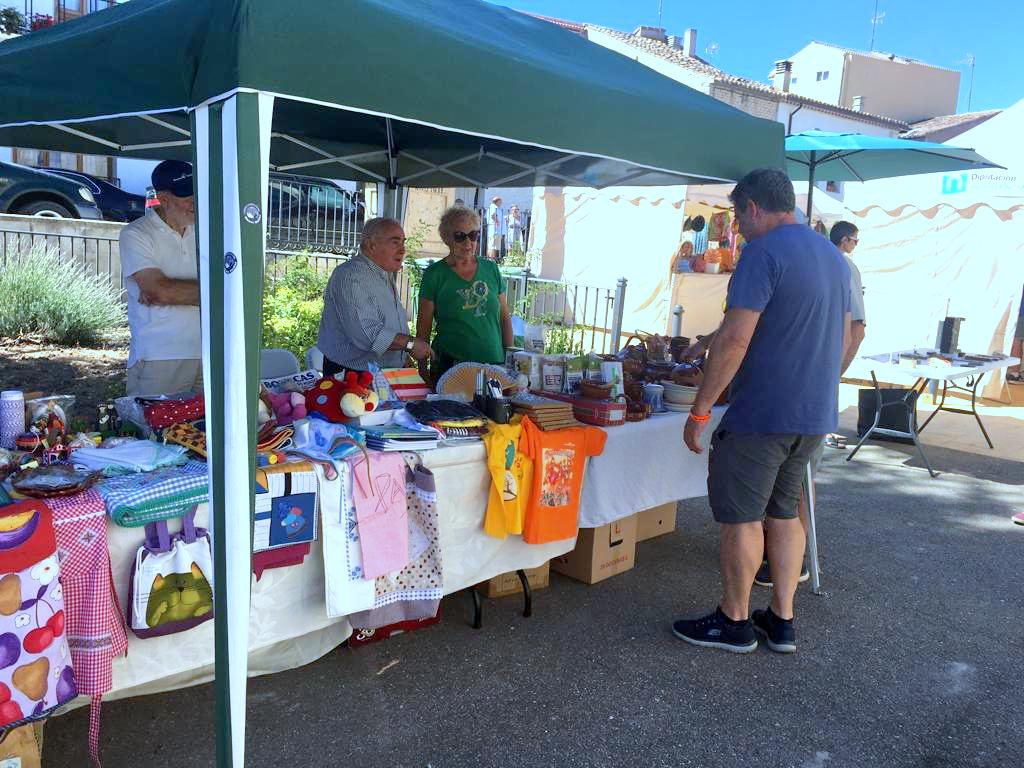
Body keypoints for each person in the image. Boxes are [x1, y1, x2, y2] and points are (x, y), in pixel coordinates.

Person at [675, 168, 850, 655]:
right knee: (783, 512)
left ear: (753, 207)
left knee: (741, 518)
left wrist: (701, 410)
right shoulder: (831, 256)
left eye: (736, 215)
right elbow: (840, 331)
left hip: (765, 413)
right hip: (814, 413)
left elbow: (736, 338)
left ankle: (734, 621)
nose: (736, 227)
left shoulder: (762, 253)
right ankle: (782, 619)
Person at [120, 160, 201, 397]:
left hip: (208, 353)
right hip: (160, 356)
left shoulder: (207, 231)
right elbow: (158, 290)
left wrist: (173, 291)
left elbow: (160, 292)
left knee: (207, 433)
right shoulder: (136, 234)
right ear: (163, 199)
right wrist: (216, 293)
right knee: (155, 432)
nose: (196, 201)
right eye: (187, 195)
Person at [317, 217, 432, 377]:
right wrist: (410, 344)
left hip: (381, 373)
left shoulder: (382, 272)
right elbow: (367, 335)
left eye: (403, 243)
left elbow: (388, 322)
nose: (402, 250)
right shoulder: (350, 276)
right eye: (395, 242)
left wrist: (402, 357)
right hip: (352, 374)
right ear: (371, 245)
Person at [416, 206, 514, 386]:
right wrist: (422, 371)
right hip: (451, 367)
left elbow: (504, 317)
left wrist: (511, 360)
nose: (468, 243)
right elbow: (423, 329)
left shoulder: (491, 269)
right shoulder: (435, 274)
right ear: (446, 238)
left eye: (473, 235)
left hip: (493, 365)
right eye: (460, 236)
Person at [487, 196, 504, 262]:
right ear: (497, 201)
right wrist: (497, 222)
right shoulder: (493, 207)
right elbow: (493, 215)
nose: (501, 203)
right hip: (495, 230)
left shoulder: (496, 208)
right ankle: (491, 260)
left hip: (497, 231)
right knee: (492, 246)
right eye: (500, 202)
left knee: (495, 246)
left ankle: (492, 260)